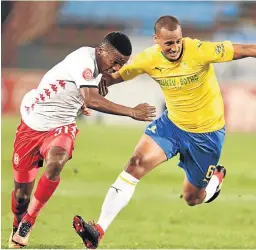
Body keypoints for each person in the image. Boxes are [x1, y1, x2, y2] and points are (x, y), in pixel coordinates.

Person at [72, 16, 256, 249]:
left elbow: (245, 50)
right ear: (156, 41)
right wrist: (94, 89)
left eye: (178, 41)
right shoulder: (148, 59)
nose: (174, 47)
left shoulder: (199, 50)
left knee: (192, 198)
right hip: (171, 126)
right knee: (134, 164)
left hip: (207, 135)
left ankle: (215, 180)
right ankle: (98, 230)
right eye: (168, 43)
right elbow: (116, 77)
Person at [9, 31, 156, 248]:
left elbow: (79, 95)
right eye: (115, 62)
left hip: (61, 127)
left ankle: (28, 222)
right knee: (21, 197)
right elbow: (90, 97)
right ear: (101, 50)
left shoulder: (98, 70)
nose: (116, 69)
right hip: (31, 126)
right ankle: (17, 224)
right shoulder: (83, 60)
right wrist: (131, 112)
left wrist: (80, 104)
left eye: (121, 65)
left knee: (57, 160)